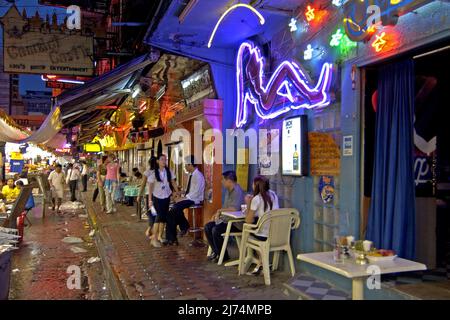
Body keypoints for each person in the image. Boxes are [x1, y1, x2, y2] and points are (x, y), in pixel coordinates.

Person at [205, 171, 245, 262]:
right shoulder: (228, 191)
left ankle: (223, 256)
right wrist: (217, 214)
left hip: (235, 224)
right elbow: (225, 207)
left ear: (229, 181)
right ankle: (216, 252)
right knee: (208, 227)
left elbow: (234, 209)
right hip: (226, 220)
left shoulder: (237, 191)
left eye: (223, 179)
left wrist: (219, 211)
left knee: (216, 230)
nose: (221, 182)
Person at [244, 175, 279, 274]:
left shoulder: (257, 199)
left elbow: (248, 220)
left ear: (256, 185)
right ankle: (261, 263)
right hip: (277, 234)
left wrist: (248, 203)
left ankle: (261, 262)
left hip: (264, 236)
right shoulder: (273, 195)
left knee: (247, 231)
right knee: (257, 229)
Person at [166, 155, 205, 246]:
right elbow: (189, 190)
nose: (184, 167)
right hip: (189, 197)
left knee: (175, 208)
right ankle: (174, 236)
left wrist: (183, 198)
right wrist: (179, 193)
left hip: (195, 199)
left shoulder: (198, 176)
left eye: (185, 165)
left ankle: (182, 228)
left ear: (190, 164)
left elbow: (196, 193)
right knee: (171, 213)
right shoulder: (191, 175)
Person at [147, 154, 178, 248]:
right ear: (157, 161)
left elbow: (173, 182)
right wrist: (150, 199)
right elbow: (150, 187)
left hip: (166, 197)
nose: (164, 161)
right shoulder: (153, 173)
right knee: (158, 218)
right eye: (162, 159)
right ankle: (153, 239)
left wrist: (177, 192)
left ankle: (160, 236)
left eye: (165, 159)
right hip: (157, 197)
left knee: (163, 218)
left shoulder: (169, 171)